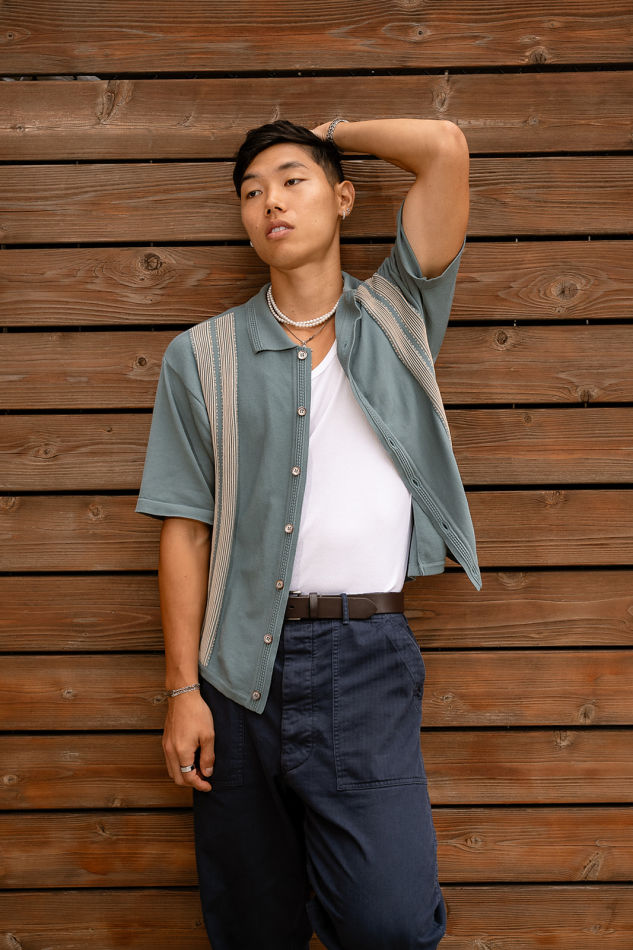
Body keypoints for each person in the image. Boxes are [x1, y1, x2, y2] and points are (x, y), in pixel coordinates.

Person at [136, 117, 480, 949]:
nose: (271, 202)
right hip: (235, 674)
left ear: (343, 196)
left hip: (366, 659)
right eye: (252, 192)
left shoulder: (399, 314)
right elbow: (184, 531)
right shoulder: (201, 358)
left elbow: (444, 150)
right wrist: (183, 692)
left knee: (390, 924)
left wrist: (334, 132)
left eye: (293, 180)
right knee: (254, 926)